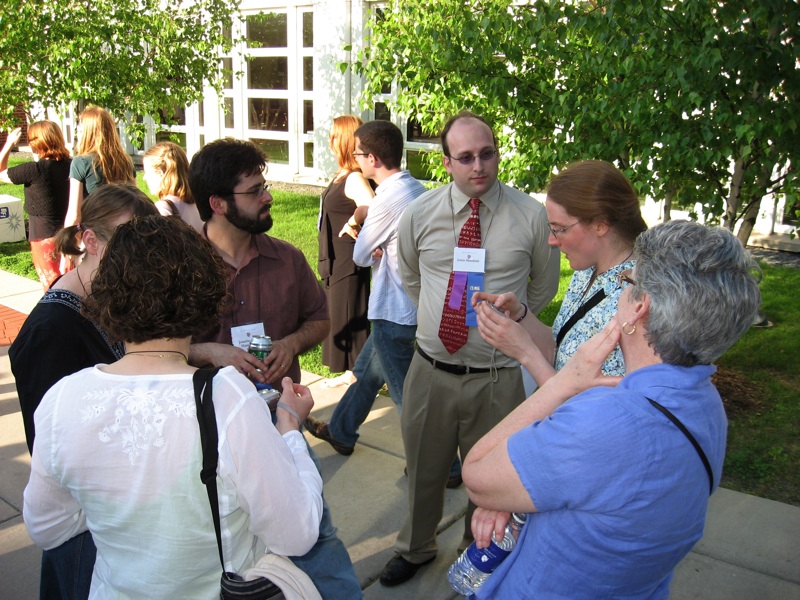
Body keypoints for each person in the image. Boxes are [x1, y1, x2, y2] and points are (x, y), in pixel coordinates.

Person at [23, 215, 324, 599]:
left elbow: (47, 527)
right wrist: (290, 430)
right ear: (202, 292)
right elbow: (296, 531)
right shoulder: (226, 398)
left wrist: (115, 499)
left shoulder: (64, 398)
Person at [465, 220, 762, 598]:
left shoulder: (609, 423)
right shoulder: (707, 406)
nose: (621, 294)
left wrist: (566, 380)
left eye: (627, 283)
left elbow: (476, 475)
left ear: (639, 309)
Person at [379, 111, 560, 586]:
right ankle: (415, 548)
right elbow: (412, 276)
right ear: (446, 163)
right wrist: (446, 320)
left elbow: (543, 286)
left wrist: (507, 321)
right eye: (465, 158)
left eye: (487, 153)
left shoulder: (530, 215)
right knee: (423, 469)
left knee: (491, 478)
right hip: (431, 371)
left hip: (497, 378)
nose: (478, 165)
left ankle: (474, 551)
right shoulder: (420, 213)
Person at [187, 137, 363, 600]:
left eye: (265, 186)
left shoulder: (287, 258)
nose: (268, 196)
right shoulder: (182, 268)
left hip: (278, 426)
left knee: (314, 537)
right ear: (218, 203)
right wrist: (212, 352)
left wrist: (290, 343)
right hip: (205, 438)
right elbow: (155, 349)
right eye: (255, 190)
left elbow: (321, 319)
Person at [9, 184, 158, 599]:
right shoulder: (51, 332)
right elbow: (56, 453)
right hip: (83, 530)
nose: (139, 258)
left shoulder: (107, 299)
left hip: (112, 518)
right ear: (89, 240)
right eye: (127, 243)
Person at [305, 120, 426, 456]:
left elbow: (359, 255)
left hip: (393, 309)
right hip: (410, 304)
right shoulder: (416, 189)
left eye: (358, 154)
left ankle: (445, 468)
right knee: (367, 374)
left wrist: (359, 217)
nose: (354, 159)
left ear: (372, 158)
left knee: (406, 395)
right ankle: (342, 431)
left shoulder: (386, 201)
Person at [474, 159, 648, 386]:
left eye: (560, 229)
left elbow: (587, 409)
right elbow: (562, 346)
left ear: (600, 224)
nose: (551, 240)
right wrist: (520, 315)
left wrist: (525, 352)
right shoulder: (588, 270)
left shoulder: (635, 302)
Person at [317, 115, 375, 387]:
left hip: (348, 259)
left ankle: (358, 373)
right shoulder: (342, 174)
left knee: (351, 312)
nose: (330, 141)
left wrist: (354, 221)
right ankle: (352, 372)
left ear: (347, 141)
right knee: (340, 312)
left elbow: (374, 206)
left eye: (335, 136)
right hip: (337, 257)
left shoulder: (354, 178)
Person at [0, 122, 72, 290]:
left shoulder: (35, 170)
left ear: (37, 142)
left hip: (43, 235)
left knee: (51, 287)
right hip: (72, 234)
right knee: (72, 285)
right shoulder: (73, 165)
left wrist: (9, 144)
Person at [65, 105, 135, 226]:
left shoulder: (81, 162)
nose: (78, 132)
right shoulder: (127, 160)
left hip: (97, 232)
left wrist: (64, 241)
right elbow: (135, 199)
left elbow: (75, 214)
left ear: (88, 132)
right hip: (124, 231)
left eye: (80, 128)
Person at [142, 141, 204, 232]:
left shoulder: (163, 208)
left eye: (147, 172)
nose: (144, 178)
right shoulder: (199, 202)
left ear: (160, 174)